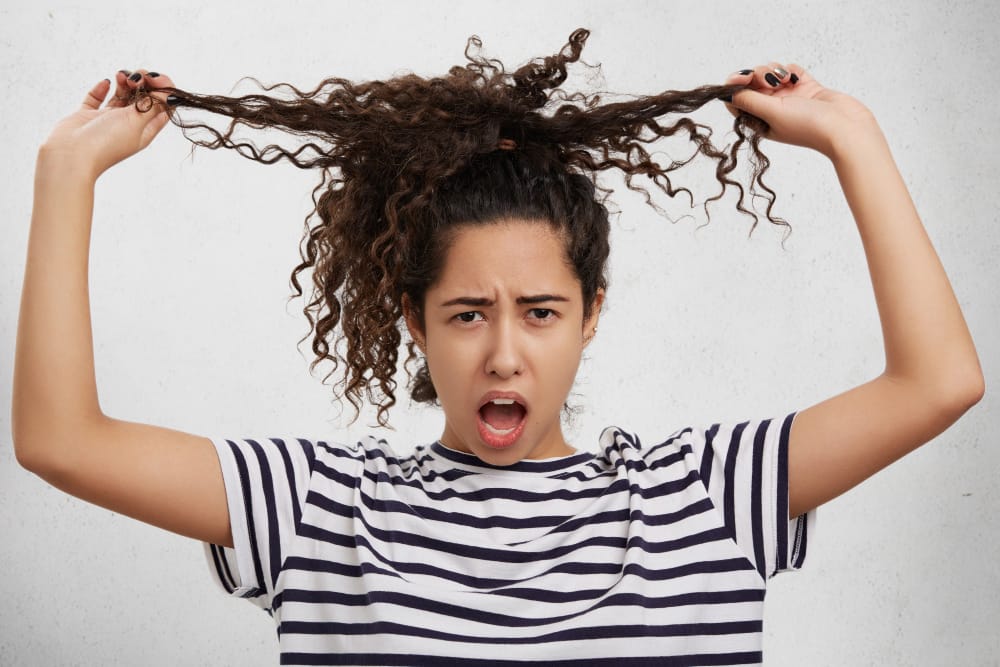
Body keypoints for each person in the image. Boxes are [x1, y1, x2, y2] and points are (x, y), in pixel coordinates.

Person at [12, 29, 983, 666]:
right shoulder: (324, 508)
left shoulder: (705, 495)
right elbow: (61, 439)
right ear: (412, 319)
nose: (505, 354)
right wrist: (65, 175)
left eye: (542, 311)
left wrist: (853, 138)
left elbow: (939, 382)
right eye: (469, 312)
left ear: (592, 312)